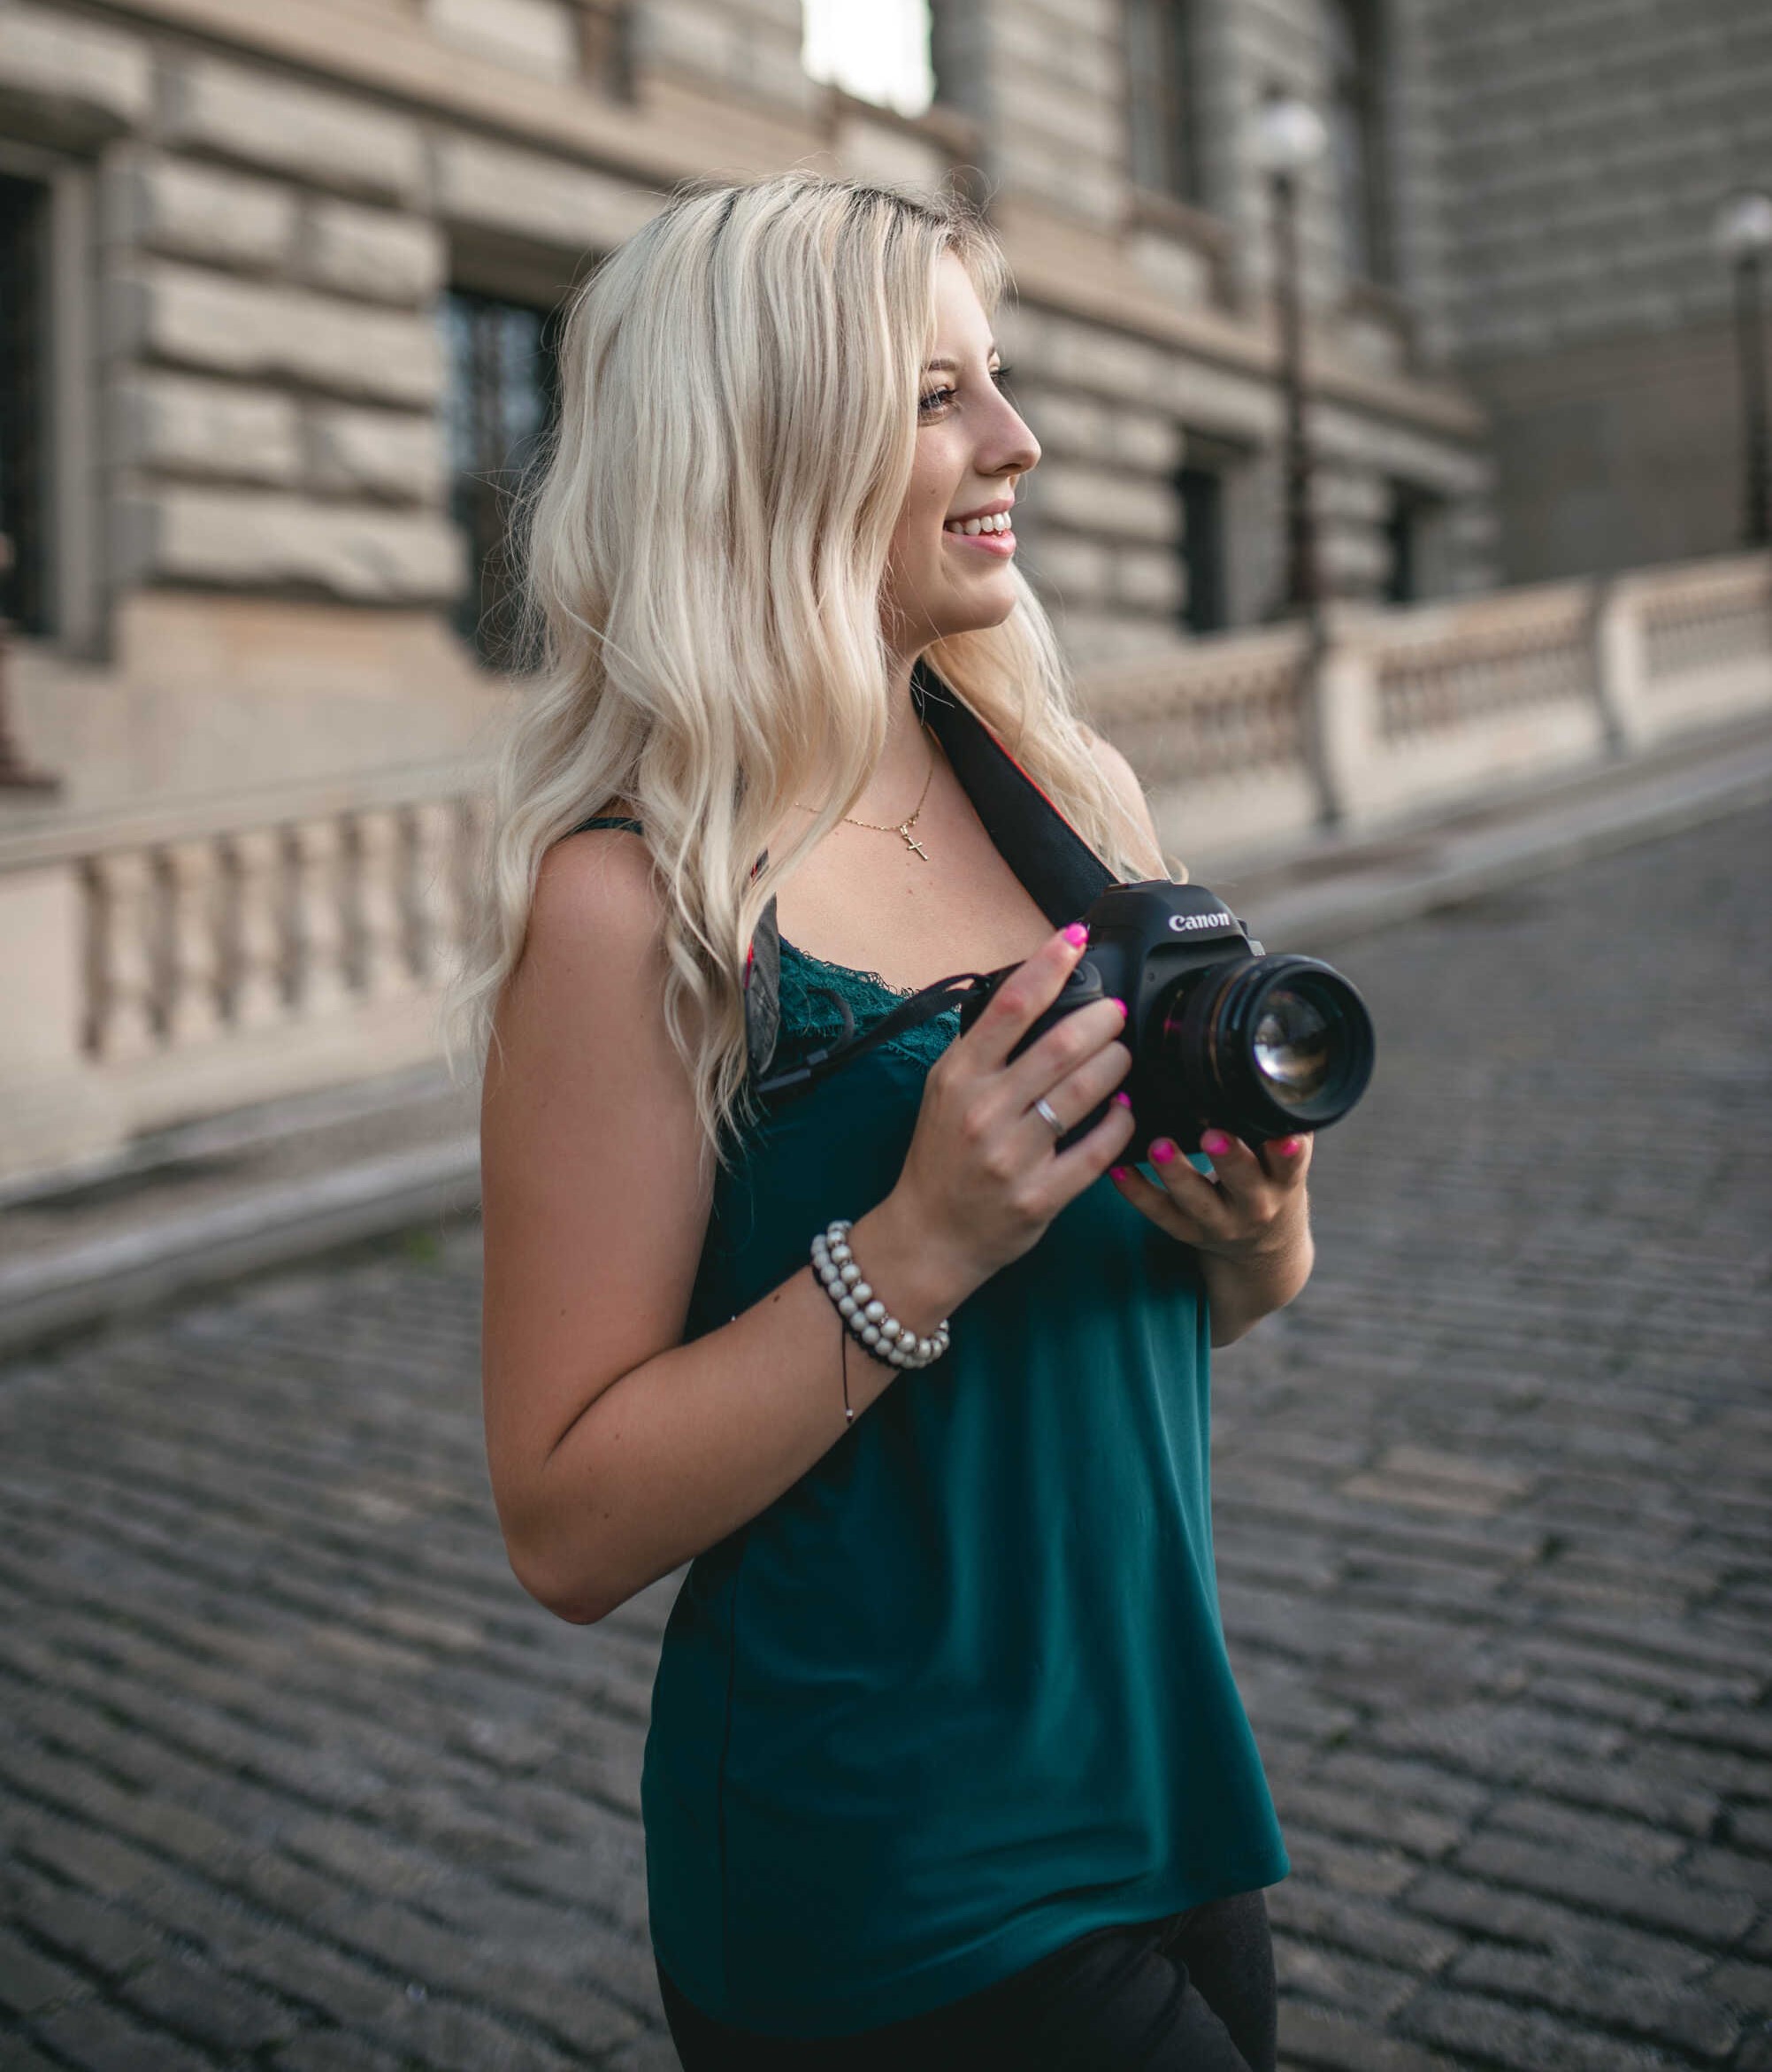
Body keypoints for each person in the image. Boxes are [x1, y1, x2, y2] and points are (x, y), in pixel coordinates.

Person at [460, 173, 1316, 2070]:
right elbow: (564, 1523)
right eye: (936, 398)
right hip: (886, 1867)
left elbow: (1198, 1308)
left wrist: (1256, 1228)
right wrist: (918, 1243)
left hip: (1168, 1787)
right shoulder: (639, 907)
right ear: (768, 445)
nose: (1018, 438)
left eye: (994, 379)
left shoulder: (1061, 791)